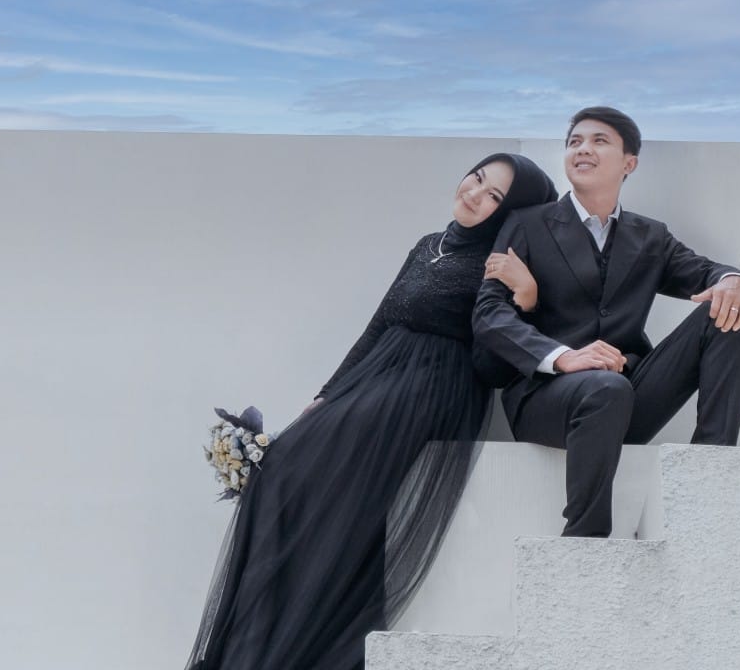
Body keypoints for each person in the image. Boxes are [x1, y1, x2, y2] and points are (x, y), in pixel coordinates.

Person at [187, 154, 557, 670]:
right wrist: (327, 394)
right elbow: (379, 324)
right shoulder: (428, 244)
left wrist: (526, 296)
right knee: (281, 469)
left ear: (510, 212)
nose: (475, 194)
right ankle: (259, 634)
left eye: (493, 195)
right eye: (476, 178)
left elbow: (492, 367)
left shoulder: (500, 264)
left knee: (304, 474)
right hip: (379, 372)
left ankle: (299, 638)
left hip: (430, 385)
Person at [473, 107, 740, 538]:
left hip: (630, 395)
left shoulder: (651, 236)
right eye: (575, 142)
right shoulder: (527, 224)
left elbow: (704, 272)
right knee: (606, 388)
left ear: (629, 163)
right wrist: (561, 357)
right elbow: (489, 313)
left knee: (729, 310)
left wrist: (733, 279)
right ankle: (585, 538)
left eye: (598, 141)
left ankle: (711, 468)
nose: (582, 149)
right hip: (548, 399)